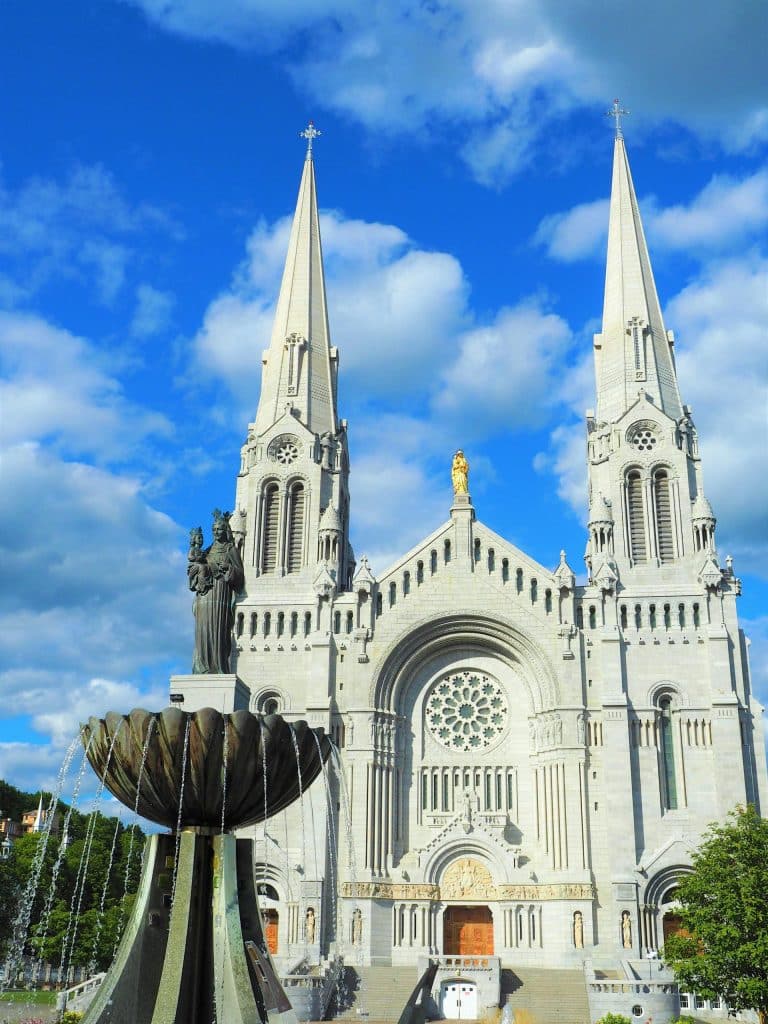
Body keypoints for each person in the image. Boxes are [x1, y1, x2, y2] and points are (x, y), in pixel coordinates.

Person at [189, 510, 245, 674]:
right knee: (203, 631)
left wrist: (228, 569)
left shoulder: (230, 550)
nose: (216, 532)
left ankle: (218, 665)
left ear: (226, 530)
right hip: (205, 595)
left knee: (218, 633)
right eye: (214, 529)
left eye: (219, 529)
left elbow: (239, 576)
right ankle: (202, 666)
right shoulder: (206, 551)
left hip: (221, 595)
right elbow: (193, 570)